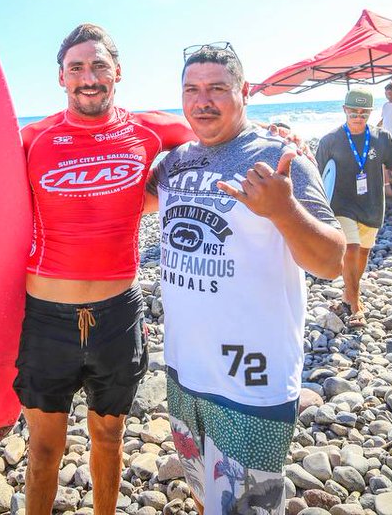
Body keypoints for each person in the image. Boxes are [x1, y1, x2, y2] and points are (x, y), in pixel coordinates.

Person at [146, 45, 345, 515]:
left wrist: (283, 210)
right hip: (184, 369)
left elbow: (332, 260)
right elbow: (114, 186)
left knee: (246, 507)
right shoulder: (174, 163)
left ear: (245, 92)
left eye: (217, 88)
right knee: (202, 491)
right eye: (191, 90)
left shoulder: (280, 158)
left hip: (250, 381)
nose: (203, 101)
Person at [15, 24, 195, 515]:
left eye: (98, 66)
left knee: (110, 436)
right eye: (77, 68)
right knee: (44, 450)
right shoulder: (31, 138)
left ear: (118, 72)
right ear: (61, 78)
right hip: (46, 319)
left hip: (118, 315)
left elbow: (219, 129)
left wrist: (278, 138)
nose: (88, 78)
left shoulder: (149, 129)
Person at [314, 89, 392, 329]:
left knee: (363, 254)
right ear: (344, 110)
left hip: (372, 205)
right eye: (353, 111)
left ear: (369, 112)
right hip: (341, 206)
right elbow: (317, 177)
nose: (358, 116)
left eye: (363, 112)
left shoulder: (382, 138)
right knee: (352, 249)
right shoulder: (330, 140)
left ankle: (347, 297)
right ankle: (357, 307)